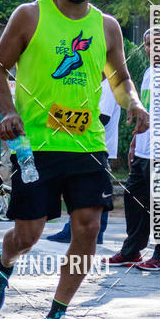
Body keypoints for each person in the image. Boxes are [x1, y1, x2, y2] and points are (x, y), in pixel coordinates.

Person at [0, 0, 148, 319]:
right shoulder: (30, 15)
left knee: (87, 227)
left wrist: (134, 105)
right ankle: (4, 264)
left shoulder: (106, 26)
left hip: (87, 144)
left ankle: (57, 315)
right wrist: (8, 112)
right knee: (29, 233)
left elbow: (120, 78)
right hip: (35, 144)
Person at [109, 28, 160, 272]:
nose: (149, 49)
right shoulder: (148, 73)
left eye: (154, 44)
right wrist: (135, 142)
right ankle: (132, 249)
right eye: (146, 44)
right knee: (133, 197)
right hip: (144, 150)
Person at [47, 75, 120, 244]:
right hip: (88, 146)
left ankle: (91, 234)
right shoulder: (96, 85)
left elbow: (103, 117)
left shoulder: (107, 85)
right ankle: (77, 230)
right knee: (86, 192)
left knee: (94, 193)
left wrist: (63, 121)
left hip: (98, 146)